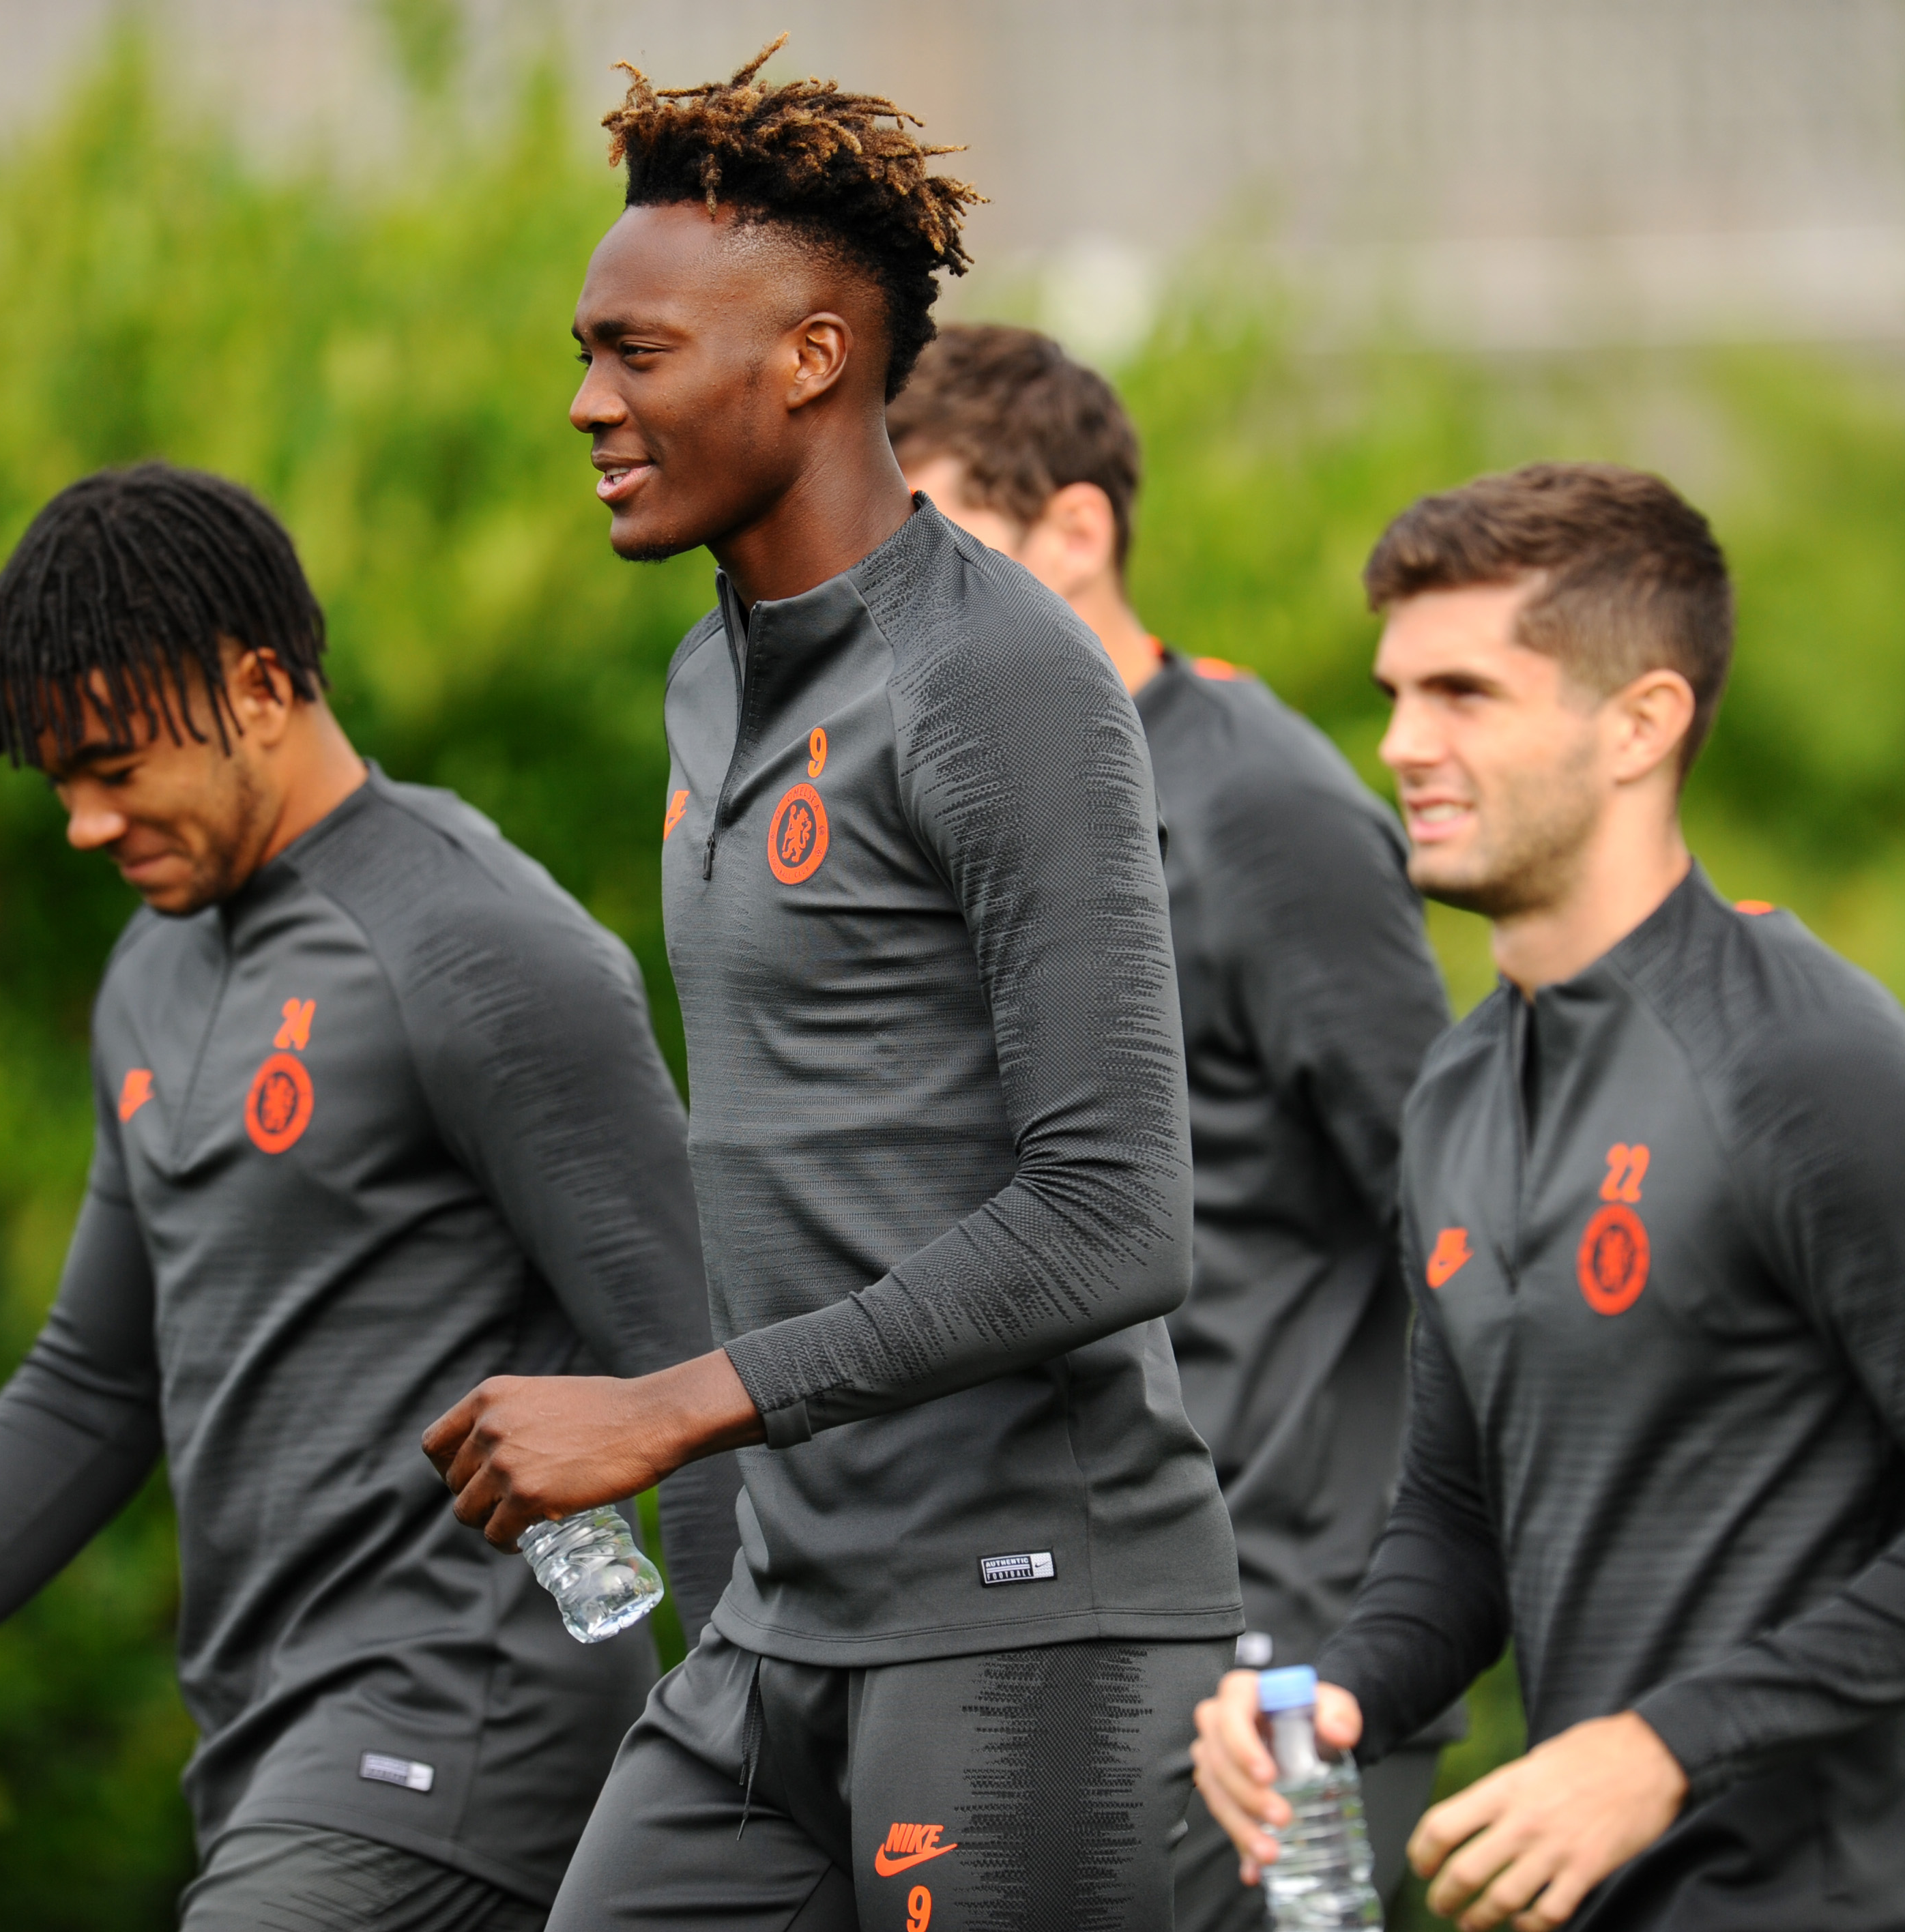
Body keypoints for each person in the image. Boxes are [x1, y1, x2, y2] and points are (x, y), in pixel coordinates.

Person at [421, 42, 1243, 1932]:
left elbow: (1117, 1218)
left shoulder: (1001, 683)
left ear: (809, 360)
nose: (585, 404)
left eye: (637, 354)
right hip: (781, 1629)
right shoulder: (707, 681)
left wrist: (671, 1409)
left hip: (1026, 1621)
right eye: (587, 350)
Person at [0, 462, 740, 1932]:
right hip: (265, 1750)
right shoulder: (150, 975)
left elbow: (689, 1361)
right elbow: (89, 1384)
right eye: (60, 781)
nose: (82, 823)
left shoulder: (481, 947)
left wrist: (757, 1760)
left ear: (257, 688)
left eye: (115, 767)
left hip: (460, 1729)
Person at [1189, 462, 1905, 1931]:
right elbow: (1452, 1523)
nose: (1401, 746)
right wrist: (1332, 1693)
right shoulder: (1456, 1086)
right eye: (1394, 693)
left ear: (1642, 723)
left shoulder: (1798, 1052)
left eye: (1463, 696)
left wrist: (1661, 1749)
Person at [888, 323, 1459, 1927]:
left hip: (1272, 1625)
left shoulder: (1260, 810)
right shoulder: (953, 795)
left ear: (1076, 529)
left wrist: (1391, 1626)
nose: (897, 604)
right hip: (1061, 1604)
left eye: (938, 542)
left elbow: (1454, 1214)